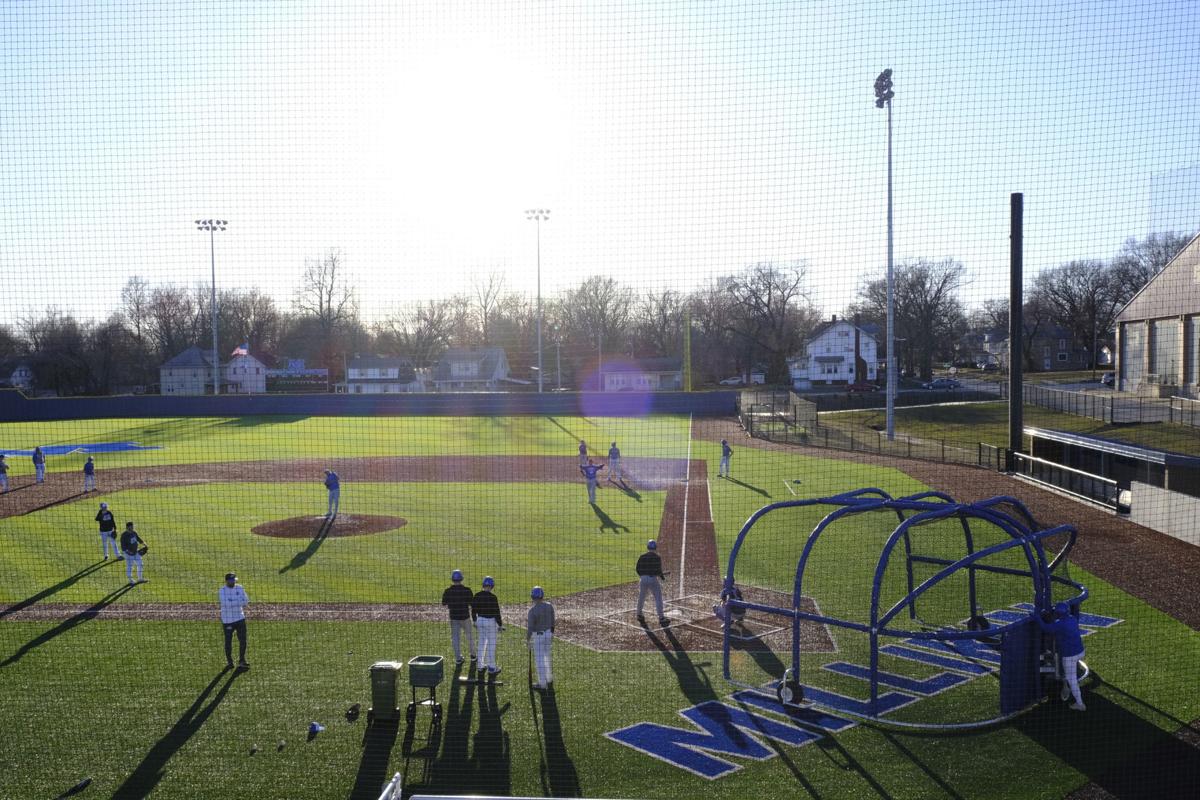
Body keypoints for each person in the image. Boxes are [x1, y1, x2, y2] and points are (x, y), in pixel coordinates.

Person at [1039, 601, 1086, 711]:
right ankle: (1066, 683)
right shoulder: (1073, 619)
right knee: (1069, 671)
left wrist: (1037, 617)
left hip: (1070, 656)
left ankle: (1080, 704)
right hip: (1080, 652)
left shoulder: (1059, 624)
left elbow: (1045, 628)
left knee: (1072, 680)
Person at [442, 569, 476, 666]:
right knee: (469, 637)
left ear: (452, 579)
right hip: (465, 617)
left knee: (455, 638)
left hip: (454, 618)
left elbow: (444, 603)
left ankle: (458, 658)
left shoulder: (448, 591)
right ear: (461, 579)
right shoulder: (467, 590)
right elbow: (471, 603)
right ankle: (473, 656)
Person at [472, 576, 503, 677]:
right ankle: (491, 668)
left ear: (483, 585)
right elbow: (496, 612)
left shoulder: (477, 595)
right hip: (490, 622)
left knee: (481, 642)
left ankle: (480, 666)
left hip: (480, 621)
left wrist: (475, 621)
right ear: (492, 586)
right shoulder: (493, 597)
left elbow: (473, 610)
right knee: (491, 645)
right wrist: (500, 624)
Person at [219, 572, 251, 670]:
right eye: (231, 580)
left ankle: (242, 660)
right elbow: (225, 604)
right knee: (228, 641)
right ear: (227, 581)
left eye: (234, 580)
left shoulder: (240, 587)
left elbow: (246, 601)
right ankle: (230, 662)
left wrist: (232, 601)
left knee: (243, 640)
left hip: (240, 618)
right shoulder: (222, 591)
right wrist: (238, 601)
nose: (233, 582)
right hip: (227, 620)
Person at [526, 586, 555, 690]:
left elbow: (530, 628)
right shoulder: (549, 606)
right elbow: (553, 621)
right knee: (547, 656)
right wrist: (551, 633)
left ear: (532, 597)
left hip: (538, 637)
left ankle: (542, 684)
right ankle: (549, 678)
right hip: (548, 634)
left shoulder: (532, 611)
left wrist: (528, 640)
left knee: (539, 660)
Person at [635, 539, 667, 625]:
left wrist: (643, 576)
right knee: (658, 598)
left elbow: (637, 569)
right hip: (653, 580)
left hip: (643, 579)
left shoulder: (642, 556)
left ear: (647, 547)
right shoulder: (657, 557)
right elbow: (658, 571)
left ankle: (639, 614)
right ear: (655, 547)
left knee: (641, 596)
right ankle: (661, 618)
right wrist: (662, 577)